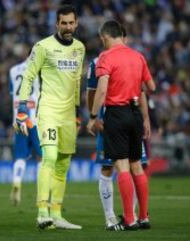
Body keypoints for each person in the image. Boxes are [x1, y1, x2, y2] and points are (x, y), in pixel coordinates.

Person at [16, 5, 85, 230]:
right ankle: (42, 211)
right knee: (50, 156)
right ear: (57, 24)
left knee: (63, 163)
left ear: (76, 23)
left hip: (68, 115)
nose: (67, 27)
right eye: (63, 23)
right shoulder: (43, 47)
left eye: (70, 23)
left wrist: (77, 112)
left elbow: (76, 82)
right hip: (48, 111)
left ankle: (56, 213)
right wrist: (22, 109)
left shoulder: (80, 48)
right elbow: (27, 77)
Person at [87, 20, 155, 230]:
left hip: (115, 114)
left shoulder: (105, 57)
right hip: (135, 113)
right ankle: (143, 217)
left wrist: (92, 116)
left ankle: (129, 219)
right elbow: (150, 87)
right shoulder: (138, 56)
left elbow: (101, 90)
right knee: (137, 166)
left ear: (105, 37)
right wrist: (143, 114)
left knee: (122, 166)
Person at [10, 55, 42, 205]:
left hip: (18, 117)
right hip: (34, 117)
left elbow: (13, 94)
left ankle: (17, 182)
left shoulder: (13, 70)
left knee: (21, 156)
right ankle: (42, 192)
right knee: (42, 157)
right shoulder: (38, 69)